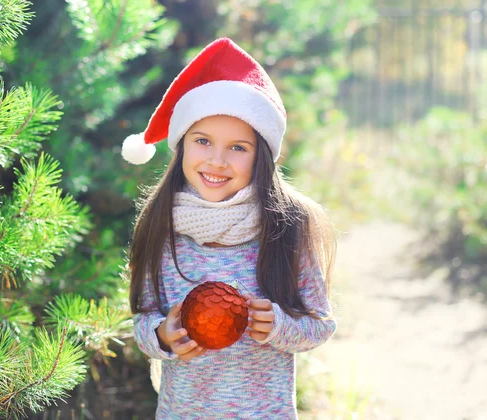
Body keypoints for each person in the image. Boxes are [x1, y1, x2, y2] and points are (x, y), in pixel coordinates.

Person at [122, 37, 338, 419]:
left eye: (238, 147)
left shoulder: (285, 227)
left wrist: (279, 325)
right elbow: (142, 319)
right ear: (182, 146)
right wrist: (161, 336)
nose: (217, 160)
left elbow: (319, 325)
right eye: (202, 141)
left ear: (261, 156)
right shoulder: (160, 226)